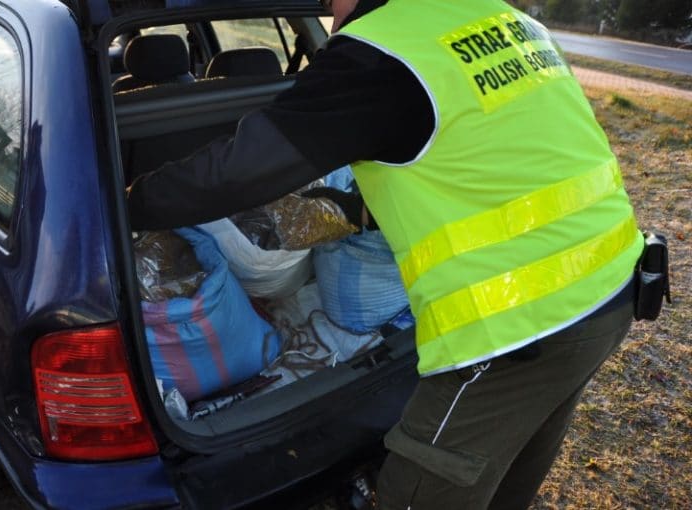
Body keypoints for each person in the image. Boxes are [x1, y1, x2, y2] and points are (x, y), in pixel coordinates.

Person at [127, 0, 645, 508]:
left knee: (420, 488)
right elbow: (487, 157)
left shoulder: (381, 49)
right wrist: (360, 212)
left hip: (517, 325)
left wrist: (128, 202)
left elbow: (242, 169)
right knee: (510, 462)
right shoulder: (504, 18)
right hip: (611, 284)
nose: (330, 9)